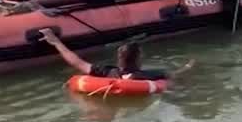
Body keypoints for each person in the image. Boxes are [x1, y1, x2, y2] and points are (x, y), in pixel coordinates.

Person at [39, 28, 193, 81]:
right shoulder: (148, 75)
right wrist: (190, 66)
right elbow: (175, 75)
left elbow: (77, 62)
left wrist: (56, 42)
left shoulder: (107, 71)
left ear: (119, 58)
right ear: (139, 58)